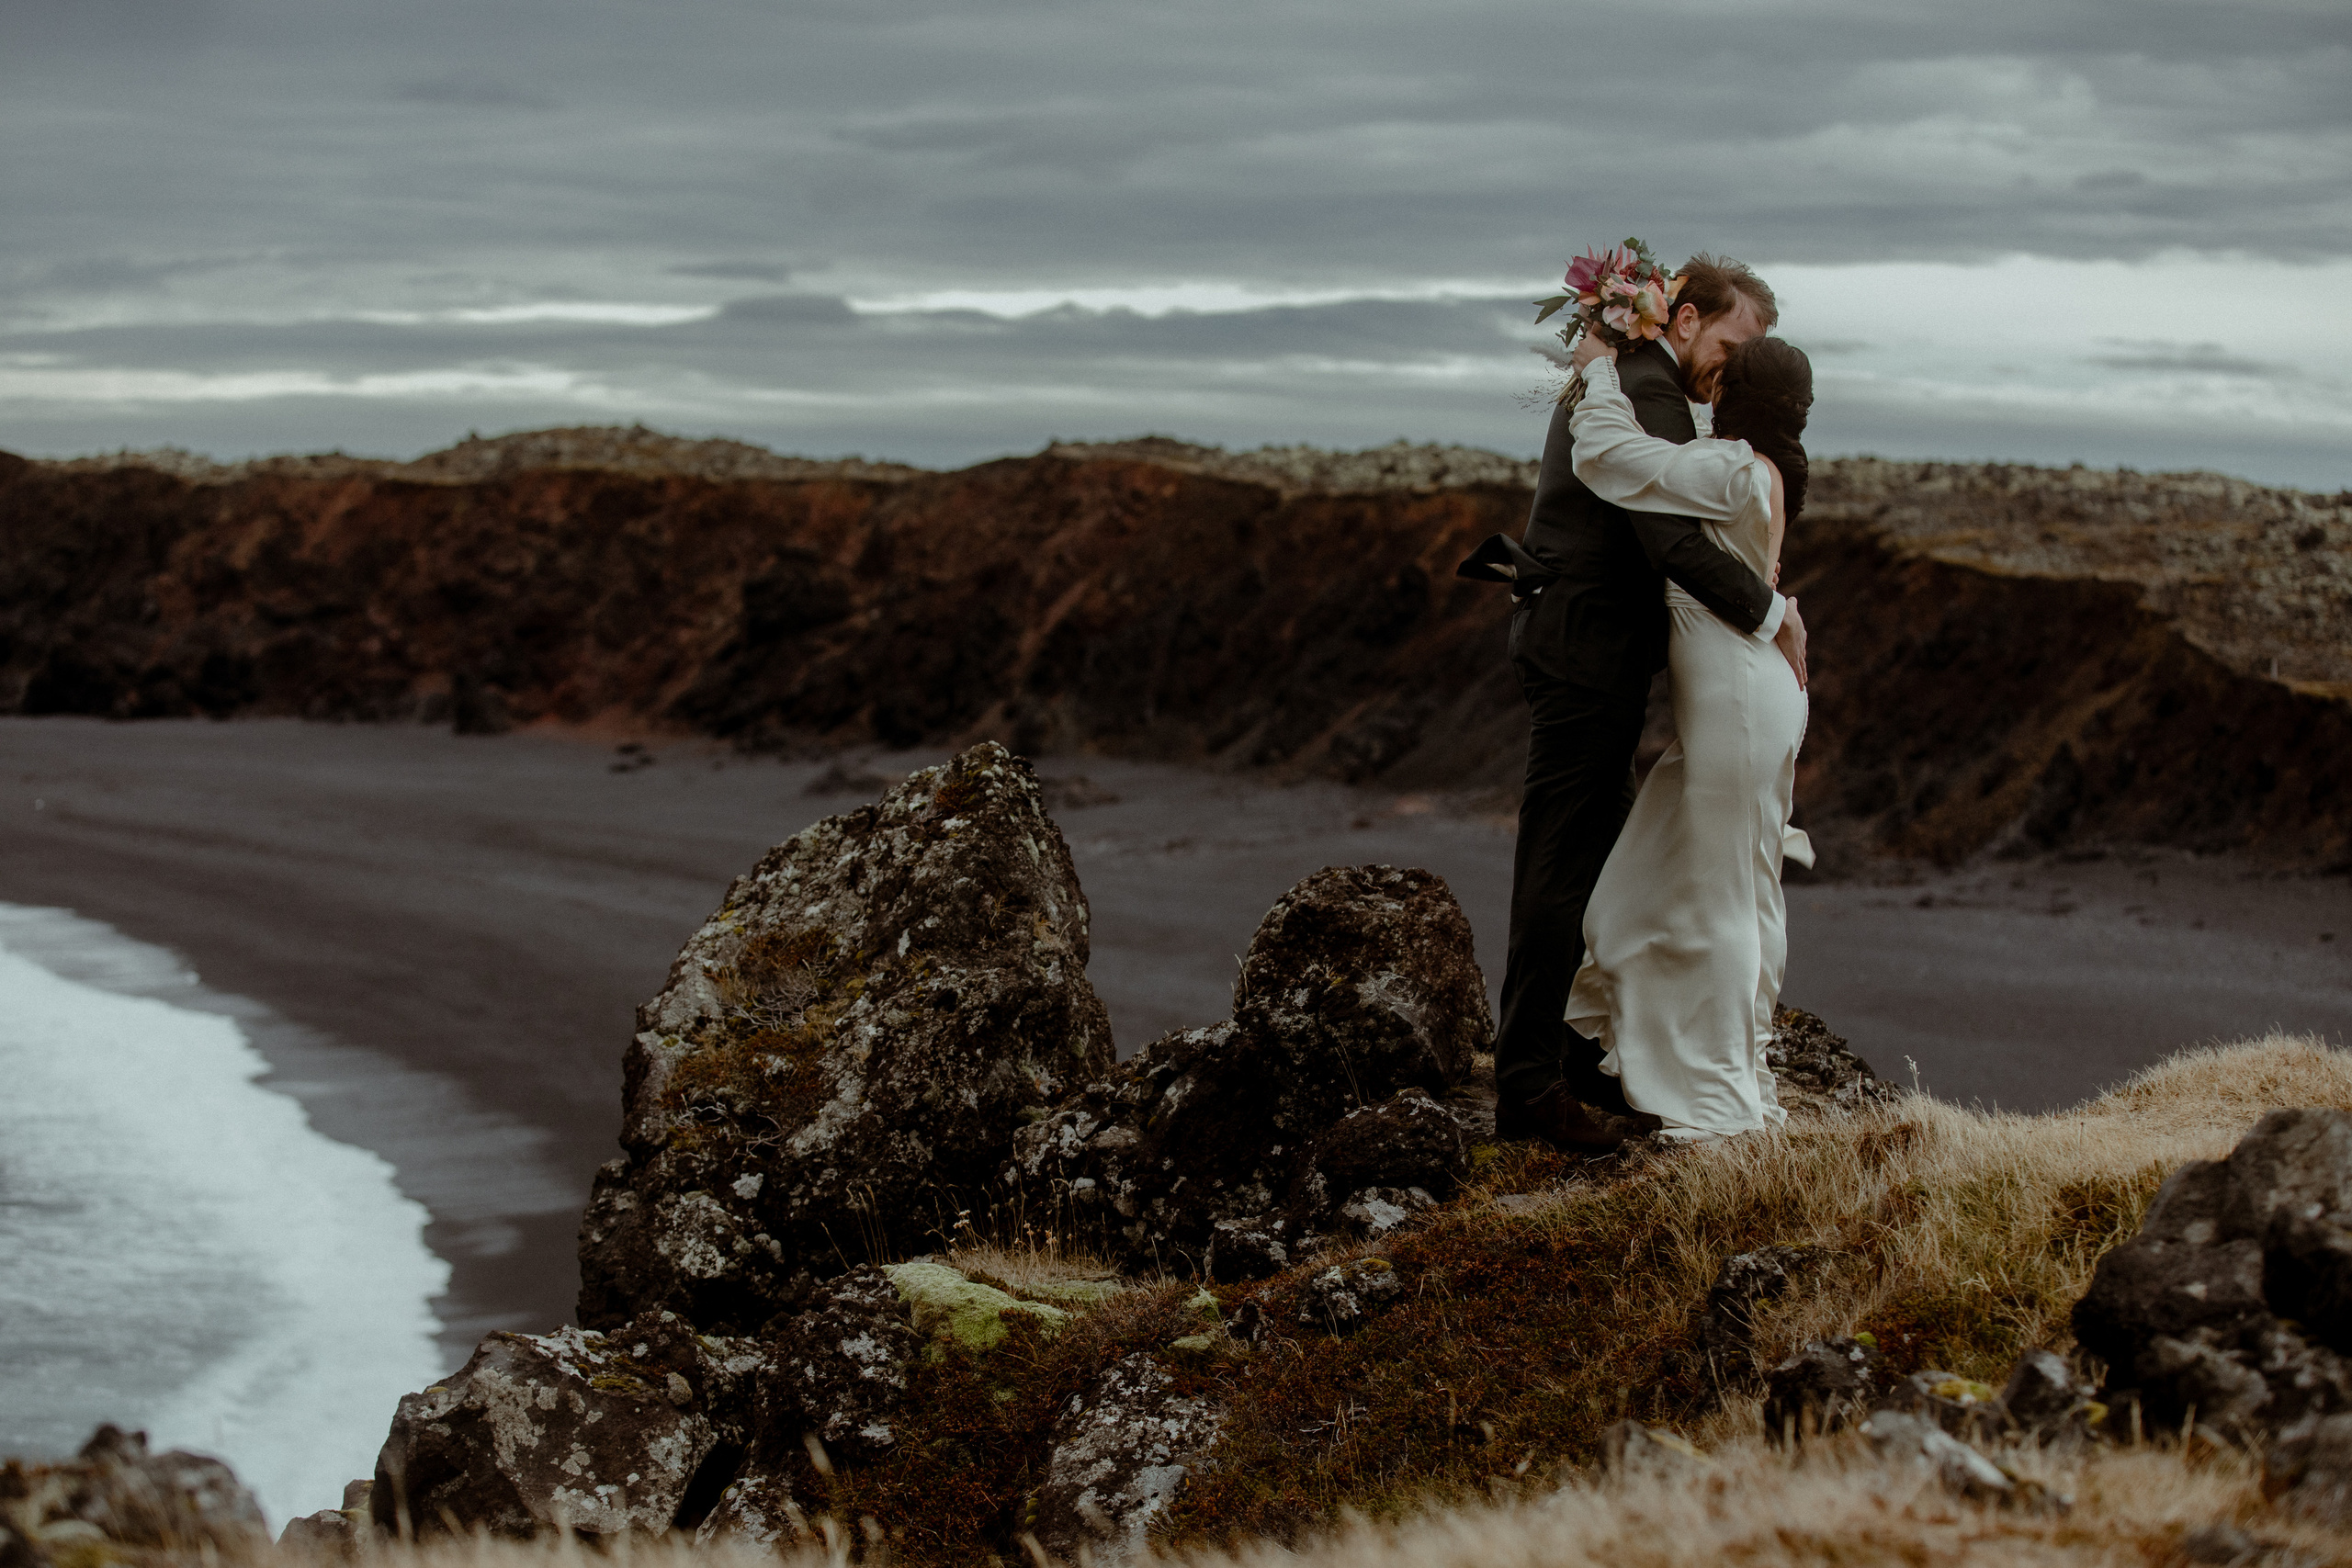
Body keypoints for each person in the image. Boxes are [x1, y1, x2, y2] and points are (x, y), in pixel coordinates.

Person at [1457, 254, 1808, 1153]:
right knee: (1562, 868)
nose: (1731, 366)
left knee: (1600, 861)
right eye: (1731, 343)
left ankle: (1576, 1062)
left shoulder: (1640, 384)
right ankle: (1531, 1086)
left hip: (1587, 648)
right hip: (1586, 652)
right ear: (1683, 318)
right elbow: (1670, 547)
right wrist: (1776, 617)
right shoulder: (1644, 391)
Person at [1564, 329, 1817, 1141]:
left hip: (1741, 699)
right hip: (1748, 696)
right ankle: (1735, 1061)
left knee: (1723, 897)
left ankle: (1720, 1101)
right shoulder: (1754, 465)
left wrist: (1599, 368)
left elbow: (1607, 456)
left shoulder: (1734, 472)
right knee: (1708, 884)